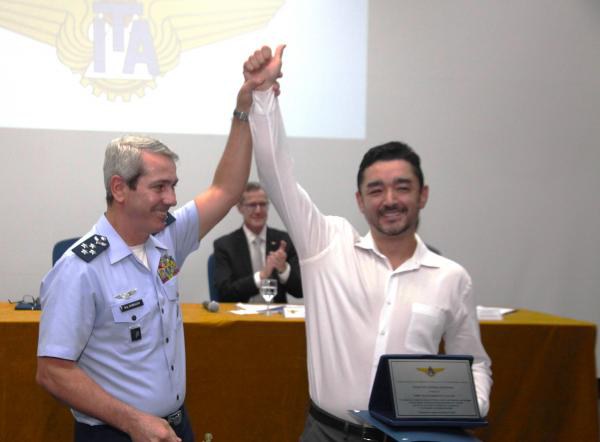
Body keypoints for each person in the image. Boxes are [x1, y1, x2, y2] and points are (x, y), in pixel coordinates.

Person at [244, 46, 492, 441]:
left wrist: (468, 407)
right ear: (360, 200)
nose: (390, 200)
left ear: (422, 195)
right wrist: (262, 95)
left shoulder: (451, 277)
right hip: (327, 432)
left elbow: (475, 362)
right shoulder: (326, 246)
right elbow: (276, 173)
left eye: (402, 188)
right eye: (376, 190)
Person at [36, 72, 264, 442]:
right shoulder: (80, 269)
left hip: (173, 426)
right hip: (116, 433)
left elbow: (226, 189)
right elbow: (52, 371)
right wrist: (133, 422)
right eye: (160, 187)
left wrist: (243, 110)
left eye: (173, 185)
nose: (172, 198)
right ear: (119, 188)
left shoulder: (166, 236)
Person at [213, 181, 303, 303]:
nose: (258, 210)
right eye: (252, 205)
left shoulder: (284, 242)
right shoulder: (225, 246)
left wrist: (283, 269)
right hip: (241, 320)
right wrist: (261, 276)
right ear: (240, 208)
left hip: (277, 318)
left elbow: (299, 291)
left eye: (263, 204)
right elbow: (224, 294)